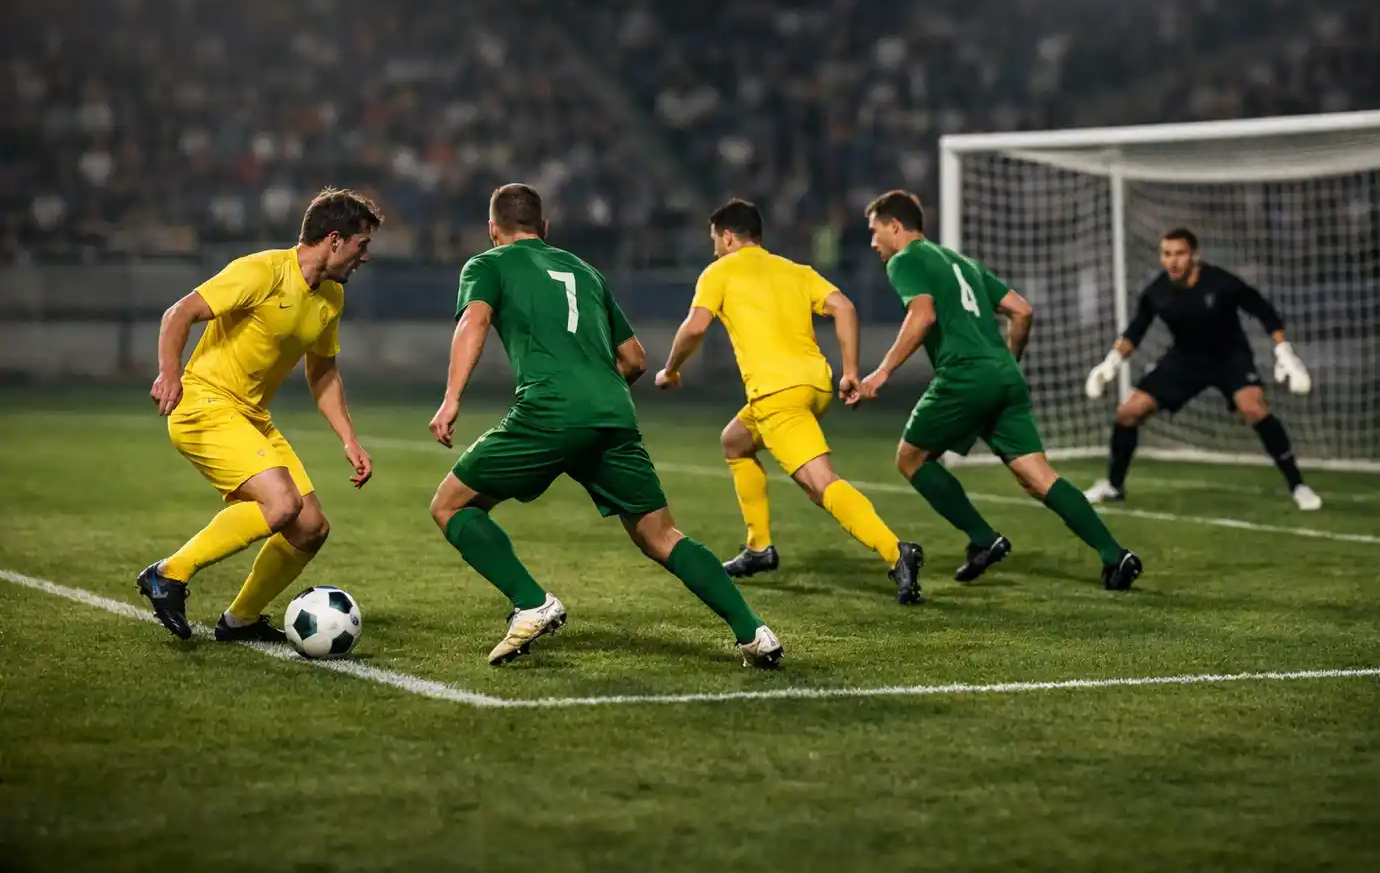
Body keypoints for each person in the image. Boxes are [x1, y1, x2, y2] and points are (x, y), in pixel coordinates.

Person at [426, 183, 784, 668]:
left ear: (493, 229)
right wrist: (595, 394)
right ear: (544, 227)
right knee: (660, 535)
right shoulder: (585, 271)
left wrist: (451, 399)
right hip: (613, 412)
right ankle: (754, 632)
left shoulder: (487, 264)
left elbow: (474, 322)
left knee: (451, 505)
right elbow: (635, 359)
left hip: (548, 409)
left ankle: (532, 602)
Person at [856, 190, 1142, 591]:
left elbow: (922, 315)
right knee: (1037, 476)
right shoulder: (963, 262)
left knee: (911, 459)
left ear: (895, 226)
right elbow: (1022, 310)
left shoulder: (905, 260)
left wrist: (881, 372)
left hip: (963, 376)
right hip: (1004, 375)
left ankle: (984, 537)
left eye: (875, 231)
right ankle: (1115, 555)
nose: (873, 242)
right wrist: (1009, 362)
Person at [138, 189, 380, 641]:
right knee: (282, 504)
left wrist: (348, 438)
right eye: (361, 244)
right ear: (334, 239)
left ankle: (240, 620)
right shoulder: (262, 271)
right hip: (204, 405)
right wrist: (170, 373)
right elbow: (179, 313)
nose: (364, 257)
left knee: (310, 528)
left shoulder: (331, 296)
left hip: (250, 415)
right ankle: (168, 574)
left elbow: (323, 372)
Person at [656, 199, 923, 604]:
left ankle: (896, 552)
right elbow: (845, 307)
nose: (714, 249)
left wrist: (671, 369)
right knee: (735, 442)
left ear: (727, 237)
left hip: (777, 394)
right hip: (815, 385)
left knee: (820, 485)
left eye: (714, 241)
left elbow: (694, 328)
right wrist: (850, 371)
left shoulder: (719, 271)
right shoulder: (795, 270)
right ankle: (758, 548)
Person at [1082, 227, 1321, 511]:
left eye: (1180, 254)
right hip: (1185, 359)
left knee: (1253, 408)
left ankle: (1298, 485)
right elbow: (1135, 331)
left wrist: (1284, 352)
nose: (1173, 261)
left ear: (1194, 256)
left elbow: (1263, 310)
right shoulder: (1157, 292)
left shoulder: (1220, 282)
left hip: (1230, 357)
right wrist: (1110, 363)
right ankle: (1113, 486)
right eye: (1167, 254)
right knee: (1128, 411)